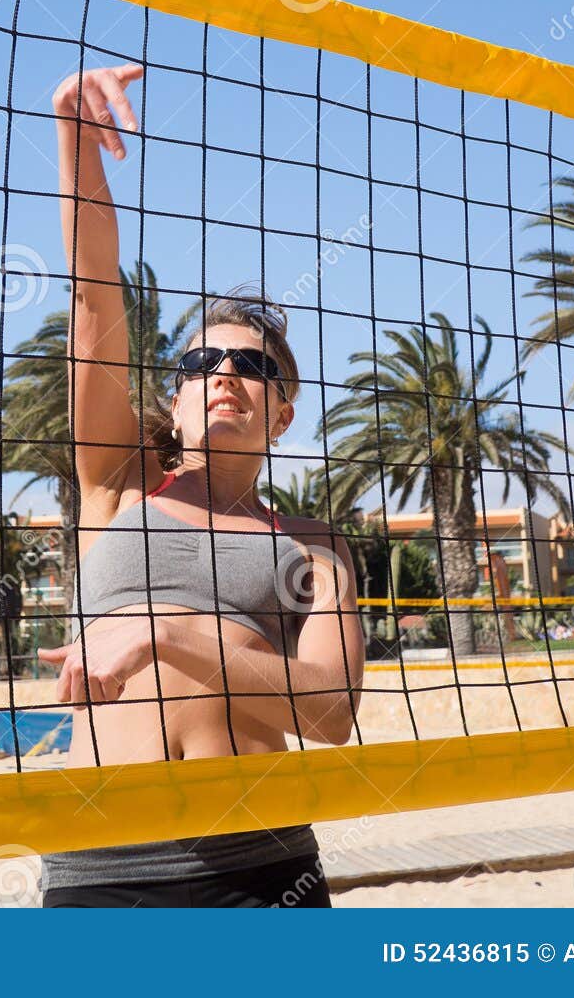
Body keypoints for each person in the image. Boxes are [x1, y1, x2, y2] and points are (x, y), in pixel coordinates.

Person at [36, 62, 365, 908]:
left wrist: (166, 634)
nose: (224, 372)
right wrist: (76, 141)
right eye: (201, 362)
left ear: (281, 414)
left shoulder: (317, 549)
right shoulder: (113, 484)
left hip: (262, 870)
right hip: (104, 868)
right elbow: (93, 292)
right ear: (174, 397)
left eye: (251, 365)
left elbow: (330, 713)